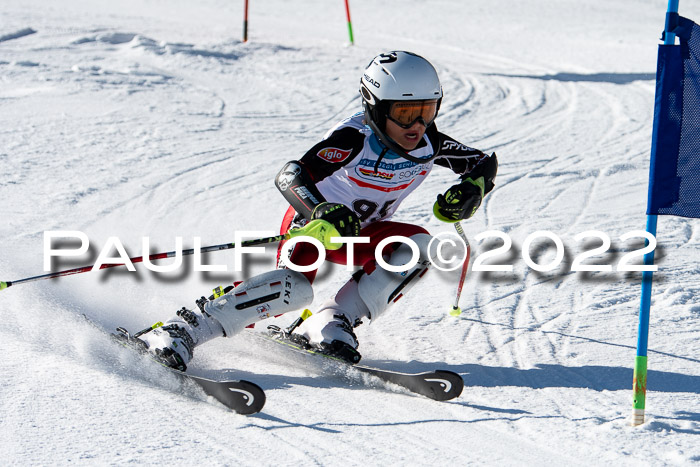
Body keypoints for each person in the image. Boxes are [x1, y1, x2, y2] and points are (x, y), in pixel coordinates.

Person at [136, 51, 498, 371]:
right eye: (405, 114)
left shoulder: (428, 143)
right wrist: (319, 210)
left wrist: (471, 189)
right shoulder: (355, 139)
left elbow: (482, 162)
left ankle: (330, 322)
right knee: (292, 289)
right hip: (314, 228)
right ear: (375, 106)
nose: (417, 126)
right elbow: (290, 175)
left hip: (362, 233)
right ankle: (182, 330)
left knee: (419, 247)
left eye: (427, 111)